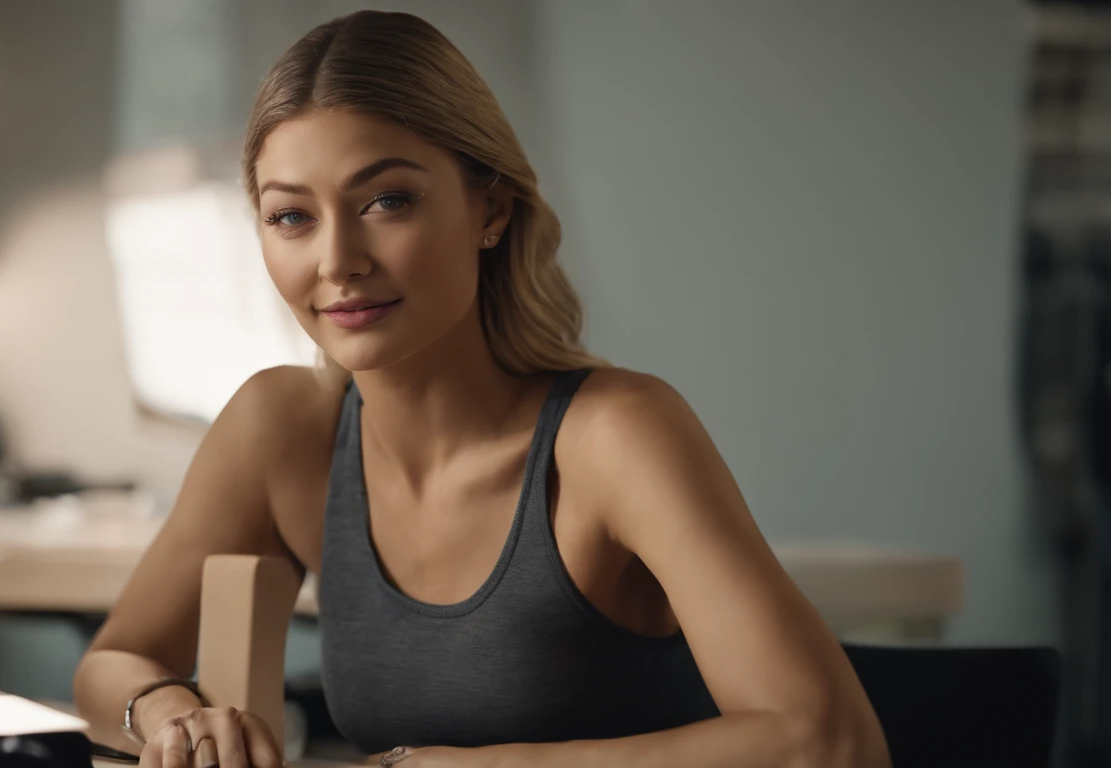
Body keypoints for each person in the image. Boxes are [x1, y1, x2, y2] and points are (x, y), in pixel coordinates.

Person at [74, 10, 889, 768]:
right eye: (292, 217)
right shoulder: (280, 426)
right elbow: (114, 661)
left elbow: (827, 741)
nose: (336, 261)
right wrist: (171, 714)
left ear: (489, 210)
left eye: (387, 201)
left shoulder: (616, 433)